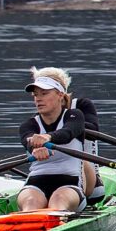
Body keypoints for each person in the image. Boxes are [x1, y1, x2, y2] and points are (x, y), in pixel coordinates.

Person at [17, 66, 100, 214]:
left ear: (60, 95)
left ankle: (52, 226)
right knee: (30, 204)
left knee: (58, 202)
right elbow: (27, 141)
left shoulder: (75, 115)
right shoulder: (28, 125)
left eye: (44, 93)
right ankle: (26, 230)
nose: (39, 99)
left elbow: (68, 132)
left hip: (70, 183)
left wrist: (48, 137)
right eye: (35, 95)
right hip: (35, 183)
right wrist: (35, 148)